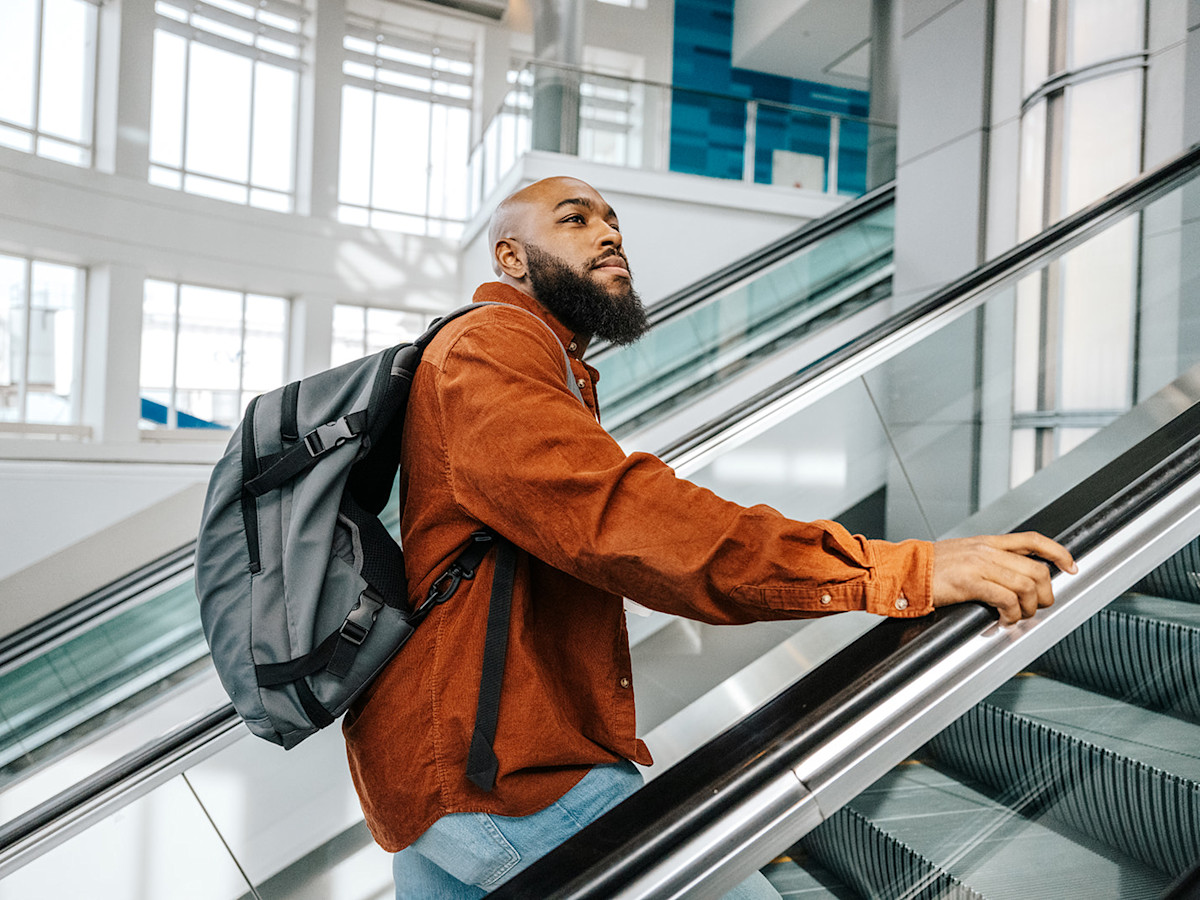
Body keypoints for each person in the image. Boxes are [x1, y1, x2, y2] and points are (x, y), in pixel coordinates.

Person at [341, 176, 1077, 899]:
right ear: (510, 258)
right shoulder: (489, 350)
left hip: (450, 769)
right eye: (574, 219)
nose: (609, 233)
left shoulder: (536, 360)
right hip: (504, 776)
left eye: (612, 219)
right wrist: (893, 570)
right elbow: (630, 521)